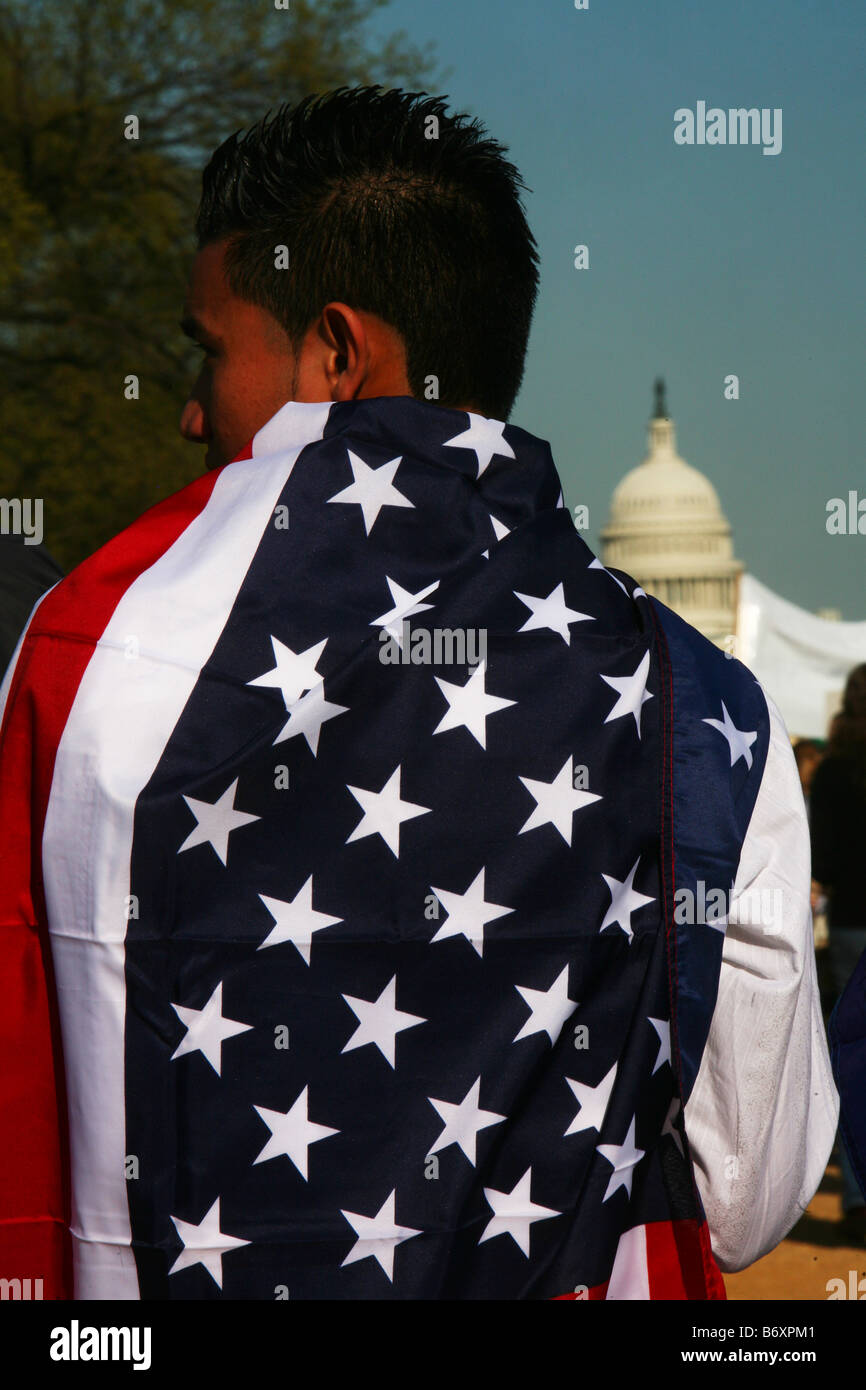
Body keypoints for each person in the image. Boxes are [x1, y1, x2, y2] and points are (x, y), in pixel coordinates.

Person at [0, 85, 836, 1301]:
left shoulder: (85, 655)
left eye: (206, 348)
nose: (188, 408)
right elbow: (750, 1194)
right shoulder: (700, 713)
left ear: (334, 353)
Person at [811, 665, 866, 1241]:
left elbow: (821, 858)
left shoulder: (831, 773)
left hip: (851, 923)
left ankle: (857, 1192)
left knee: (853, 1058)